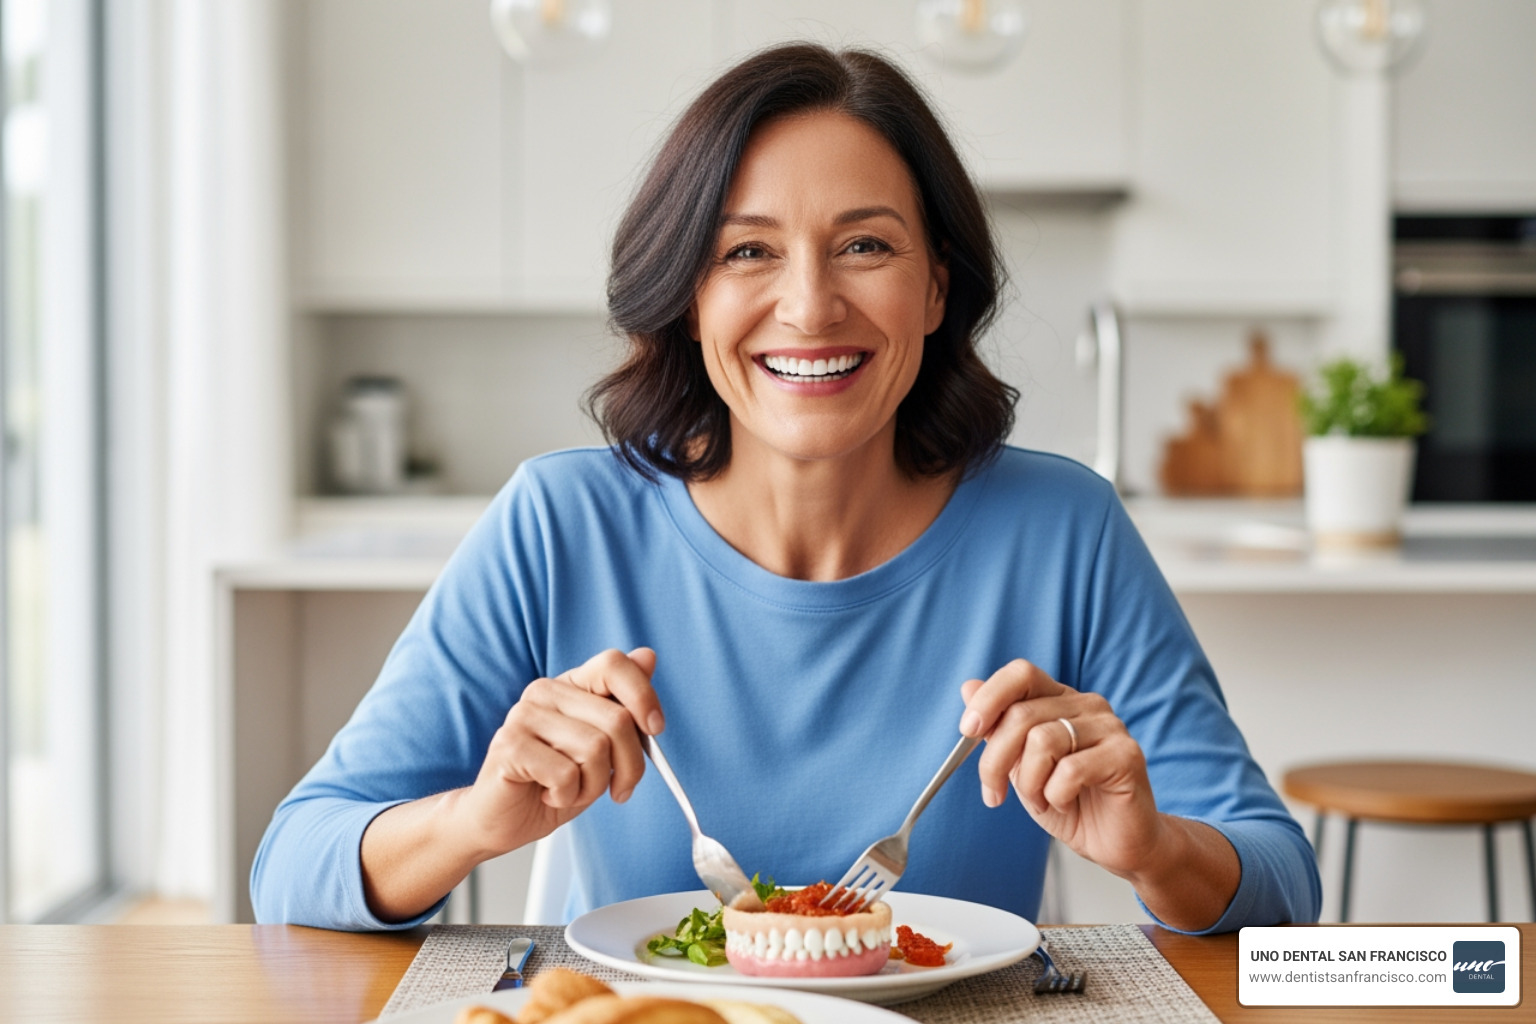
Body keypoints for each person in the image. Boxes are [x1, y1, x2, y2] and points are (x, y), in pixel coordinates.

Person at [251, 43, 1320, 933]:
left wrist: (1155, 848)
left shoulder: (1063, 529)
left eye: (865, 244)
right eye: (748, 252)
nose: (810, 308)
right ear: (688, 297)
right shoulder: (560, 524)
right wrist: (475, 822)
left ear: (937, 284)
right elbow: (291, 863)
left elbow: (1279, 884)